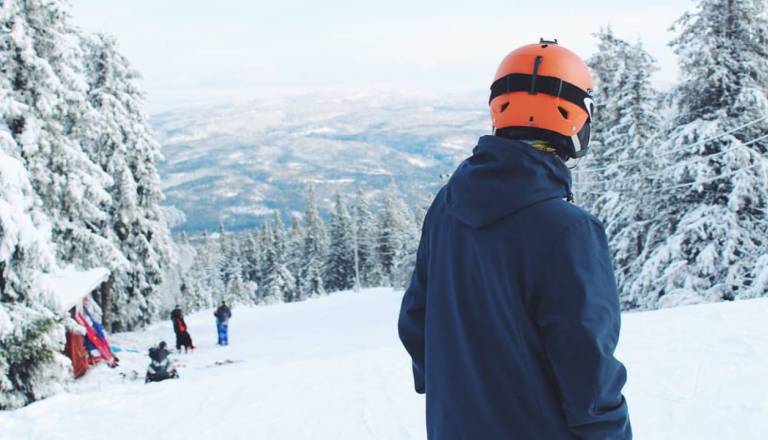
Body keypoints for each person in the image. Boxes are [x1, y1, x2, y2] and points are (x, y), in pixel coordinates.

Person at [397, 40, 632, 439]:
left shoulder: (447, 205)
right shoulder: (569, 230)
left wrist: (454, 394)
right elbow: (588, 370)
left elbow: (416, 320)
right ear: (576, 117)